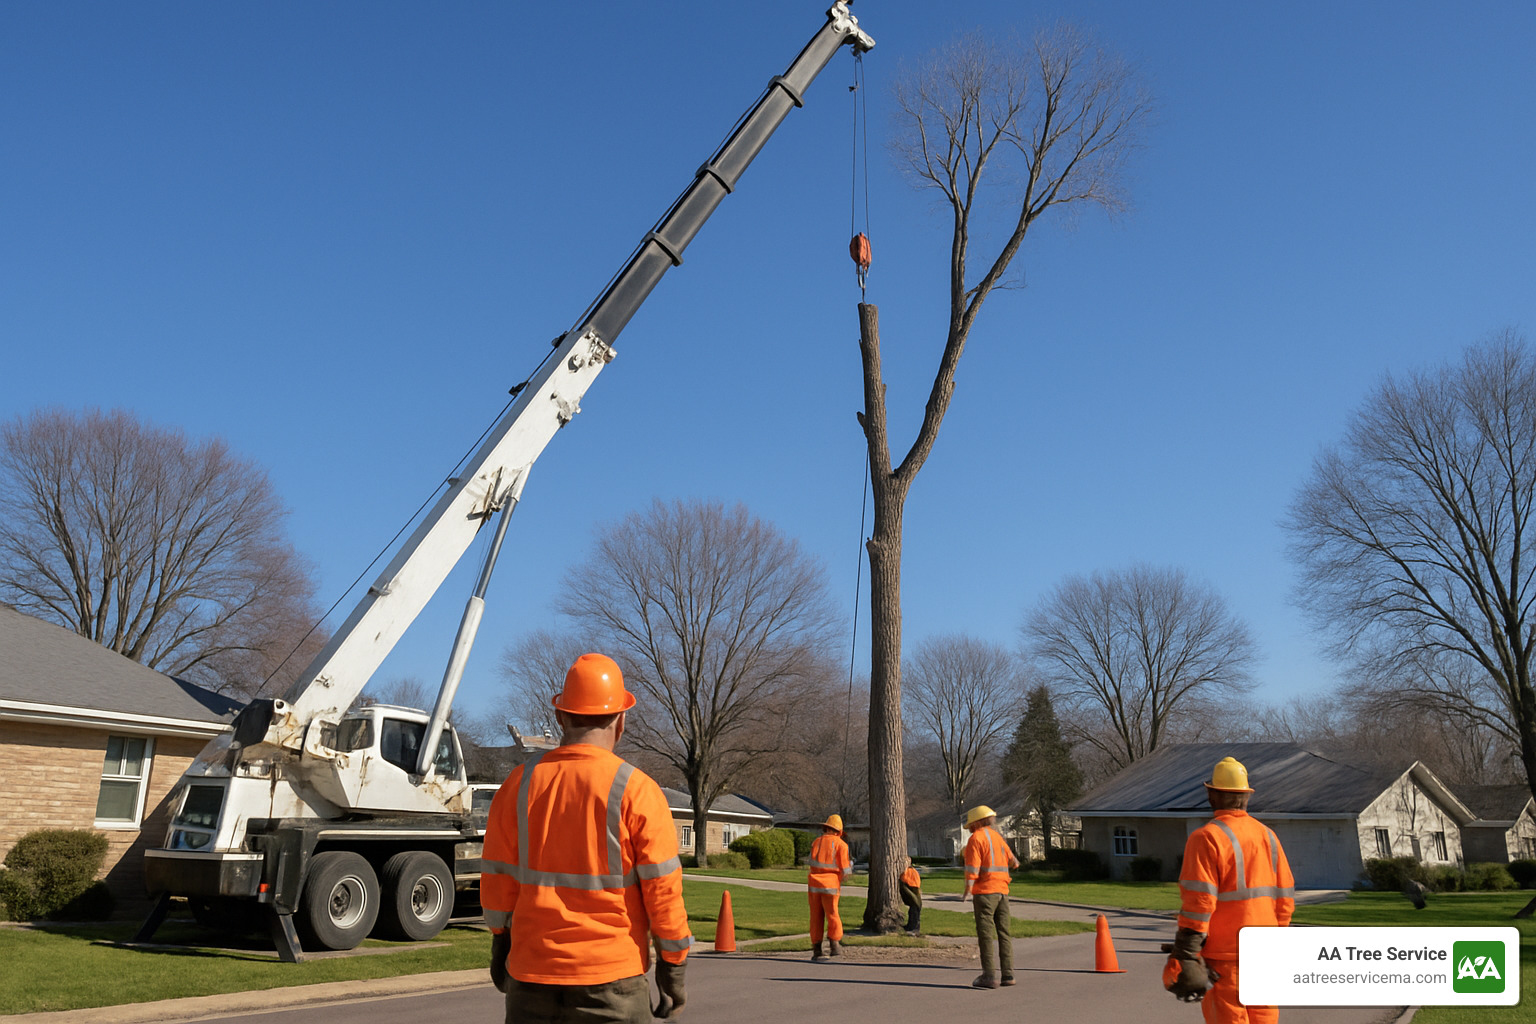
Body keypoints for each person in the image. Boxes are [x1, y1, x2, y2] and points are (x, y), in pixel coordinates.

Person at [481, 653, 693, 1023]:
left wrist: (500, 940)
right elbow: (663, 892)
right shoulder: (637, 791)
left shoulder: (518, 784)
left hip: (532, 977)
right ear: (621, 719)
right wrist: (672, 969)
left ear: (561, 716)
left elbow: (498, 881)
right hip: (612, 981)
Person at [1164, 756, 1295, 1024]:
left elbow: (1200, 902)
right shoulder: (1268, 836)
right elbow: (1285, 900)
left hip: (1225, 955)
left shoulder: (1206, 838)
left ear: (1212, 795)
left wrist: (1186, 951)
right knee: (1265, 1018)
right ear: (1246, 797)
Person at [962, 804, 1019, 989]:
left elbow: (973, 867)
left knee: (986, 935)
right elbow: (1014, 862)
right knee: (1004, 933)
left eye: (970, 824)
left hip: (985, 893)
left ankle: (989, 976)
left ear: (976, 822)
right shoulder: (998, 838)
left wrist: (968, 888)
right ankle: (1008, 974)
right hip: (1002, 891)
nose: (969, 827)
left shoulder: (975, 839)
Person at [806, 813, 852, 962]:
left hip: (813, 884)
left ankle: (817, 949)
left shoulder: (816, 842)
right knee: (832, 914)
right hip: (831, 885)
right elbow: (846, 870)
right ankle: (835, 946)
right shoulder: (841, 845)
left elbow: (812, 863)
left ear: (826, 828)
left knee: (815, 916)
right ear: (838, 831)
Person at [899, 856, 923, 935]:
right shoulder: (909, 872)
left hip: (914, 895)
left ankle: (914, 929)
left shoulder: (910, 872)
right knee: (912, 912)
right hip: (913, 896)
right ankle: (910, 926)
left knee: (914, 912)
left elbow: (909, 883)